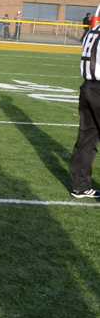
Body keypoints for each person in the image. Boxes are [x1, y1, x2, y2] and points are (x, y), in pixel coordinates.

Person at [70, 22, 100, 199]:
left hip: (88, 87)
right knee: (87, 139)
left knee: (86, 138)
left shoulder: (92, 31)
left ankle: (80, 186)